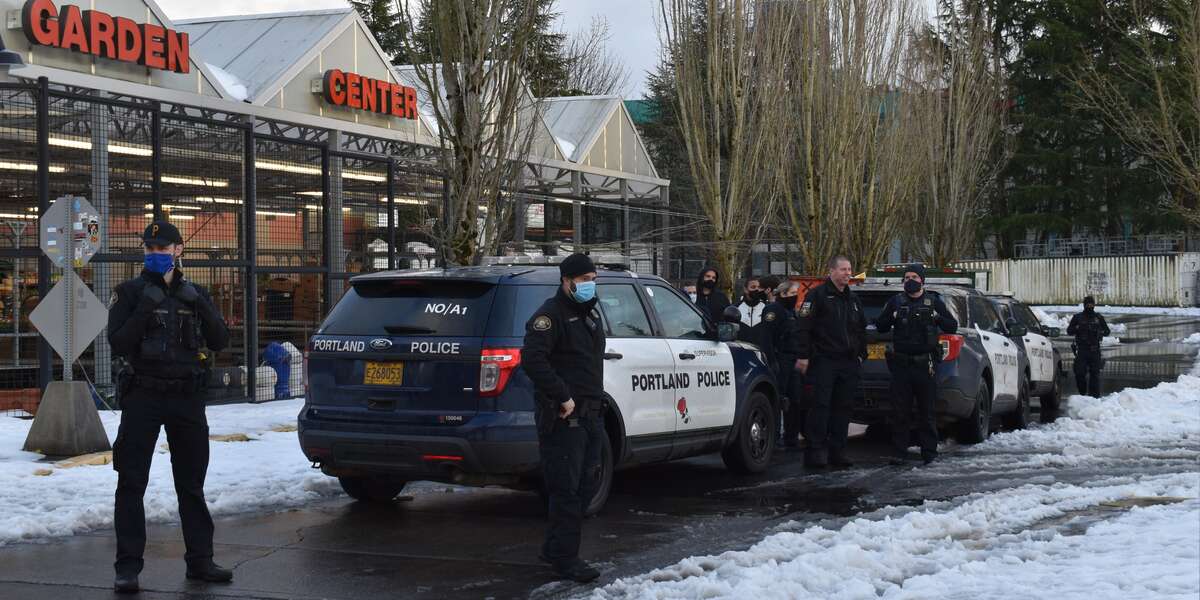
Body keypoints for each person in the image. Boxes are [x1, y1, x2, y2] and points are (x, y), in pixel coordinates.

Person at [106, 221, 231, 593]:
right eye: (150, 248)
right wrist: (147, 305)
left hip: (186, 398)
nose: (155, 254)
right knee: (131, 482)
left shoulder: (196, 293)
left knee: (191, 484)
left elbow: (220, 340)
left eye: (163, 249)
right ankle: (128, 567)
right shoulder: (129, 292)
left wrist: (200, 305)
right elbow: (119, 342)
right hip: (143, 395)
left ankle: (201, 562)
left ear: (179, 250)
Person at [522, 253, 606, 583]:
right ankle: (565, 557)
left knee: (586, 486)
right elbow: (532, 360)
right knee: (566, 490)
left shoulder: (588, 314)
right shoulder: (549, 315)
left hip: (591, 414)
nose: (590, 285)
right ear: (567, 281)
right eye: (584, 280)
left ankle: (555, 547)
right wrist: (562, 395)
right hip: (564, 417)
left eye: (593, 279)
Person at [874, 264, 957, 465]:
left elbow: (952, 325)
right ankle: (899, 452)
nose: (910, 280)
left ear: (922, 280)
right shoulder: (895, 301)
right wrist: (890, 317)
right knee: (900, 411)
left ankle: (929, 452)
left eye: (914, 277)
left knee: (926, 412)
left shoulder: (933, 302)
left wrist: (937, 318)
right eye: (906, 277)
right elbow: (880, 326)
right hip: (901, 365)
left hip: (925, 365)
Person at [795, 256, 867, 468]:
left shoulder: (853, 300)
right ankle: (815, 451)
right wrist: (803, 355)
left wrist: (862, 354)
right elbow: (803, 327)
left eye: (849, 269)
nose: (847, 273)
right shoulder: (816, 296)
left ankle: (838, 451)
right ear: (832, 271)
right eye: (843, 269)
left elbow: (861, 329)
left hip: (848, 362)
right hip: (824, 361)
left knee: (843, 408)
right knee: (820, 406)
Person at [1067, 296, 1110, 396]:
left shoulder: (1098, 317)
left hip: (1095, 350)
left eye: (1091, 304)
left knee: (1095, 375)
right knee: (1079, 373)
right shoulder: (1078, 317)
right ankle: (1082, 393)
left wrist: (1100, 331)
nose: (1089, 306)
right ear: (1084, 305)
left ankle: (1094, 397)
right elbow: (1069, 331)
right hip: (1082, 350)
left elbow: (1107, 331)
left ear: (1094, 305)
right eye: (1088, 304)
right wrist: (1078, 328)